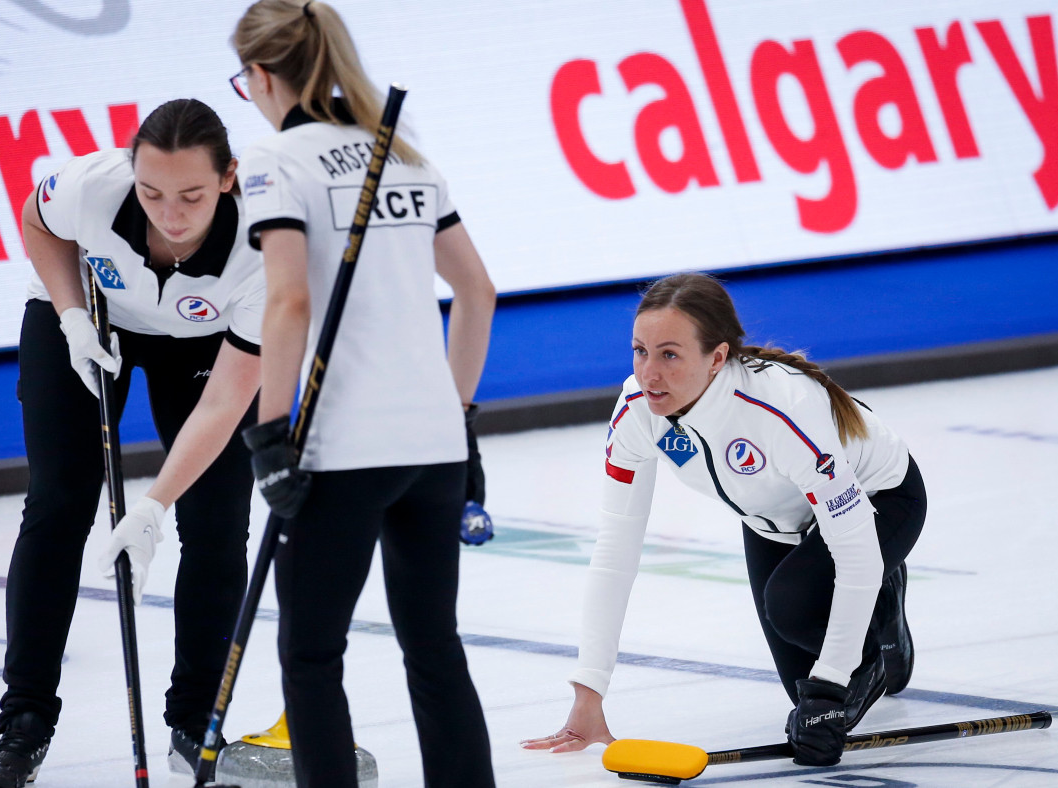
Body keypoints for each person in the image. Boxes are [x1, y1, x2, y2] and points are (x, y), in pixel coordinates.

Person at [227, 2, 497, 785]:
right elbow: (477, 292)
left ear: (262, 75)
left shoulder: (276, 161)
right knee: (434, 646)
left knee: (311, 655)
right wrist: (461, 419)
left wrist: (269, 434)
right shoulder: (404, 155)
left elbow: (289, 302)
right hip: (433, 444)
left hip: (340, 445)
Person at [0, 99, 265, 788]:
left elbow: (226, 402)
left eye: (192, 196)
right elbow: (37, 219)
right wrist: (72, 315)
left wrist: (153, 506)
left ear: (228, 178)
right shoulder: (92, 186)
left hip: (206, 344)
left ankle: (196, 723)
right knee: (59, 502)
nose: (171, 215)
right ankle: (24, 721)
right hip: (91, 316)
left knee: (217, 521)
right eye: (152, 193)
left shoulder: (263, 244)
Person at [522, 273, 922, 767]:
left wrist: (831, 684)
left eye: (669, 355)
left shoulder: (781, 408)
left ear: (717, 357)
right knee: (800, 688)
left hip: (880, 500)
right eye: (640, 351)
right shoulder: (636, 413)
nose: (649, 374)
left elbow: (856, 551)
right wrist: (589, 693)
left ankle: (876, 621)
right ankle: (880, 613)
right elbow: (614, 553)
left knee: (793, 610)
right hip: (776, 521)